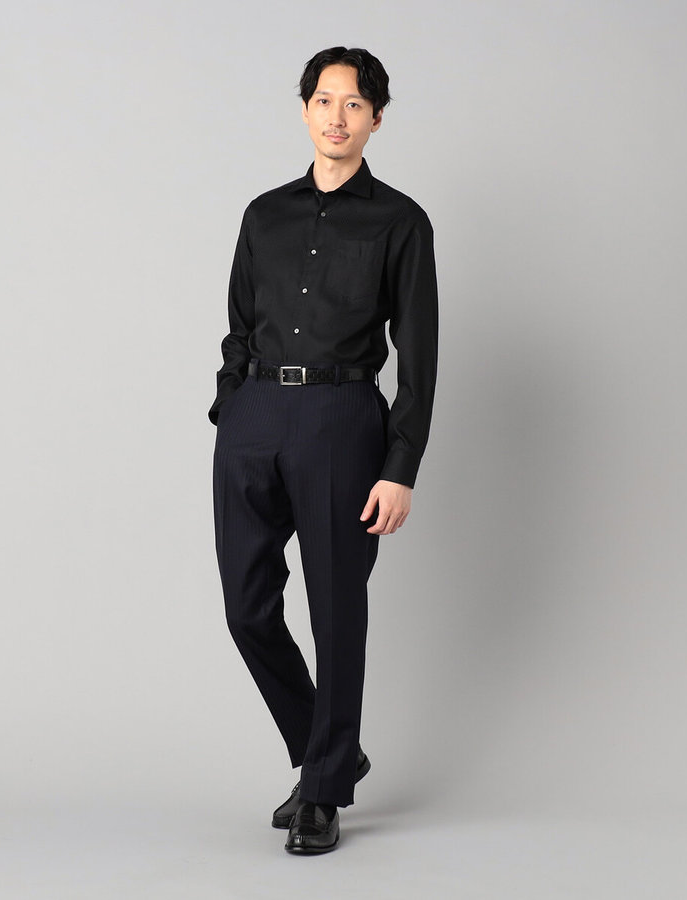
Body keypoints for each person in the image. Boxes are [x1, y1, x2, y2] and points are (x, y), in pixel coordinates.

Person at [208, 46, 439, 854]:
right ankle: (329, 748)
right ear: (305, 108)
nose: (336, 117)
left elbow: (419, 355)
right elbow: (239, 323)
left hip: (343, 420)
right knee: (247, 609)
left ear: (376, 118)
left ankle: (323, 790)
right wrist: (232, 407)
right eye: (323, 100)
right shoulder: (263, 214)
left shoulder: (401, 222)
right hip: (256, 417)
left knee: (336, 609)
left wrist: (400, 467)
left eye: (354, 104)